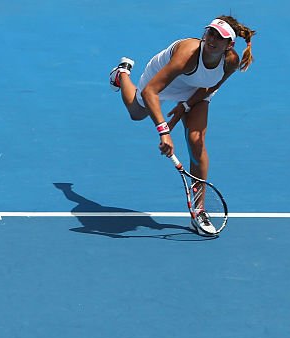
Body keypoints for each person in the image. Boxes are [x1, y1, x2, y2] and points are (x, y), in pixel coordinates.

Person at [109, 16, 256, 235]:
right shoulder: (187, 55)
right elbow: (151, 91)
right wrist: (164, 131)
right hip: (163, 80)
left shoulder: (230, 61)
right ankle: (121, 75)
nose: (212, 40)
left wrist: (184, 107)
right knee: (137, 113)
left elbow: (212, 85)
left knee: (197, 142)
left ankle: (198, 212)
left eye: (220, 37)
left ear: (229, 45)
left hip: (196, 90)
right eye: (210, 33)